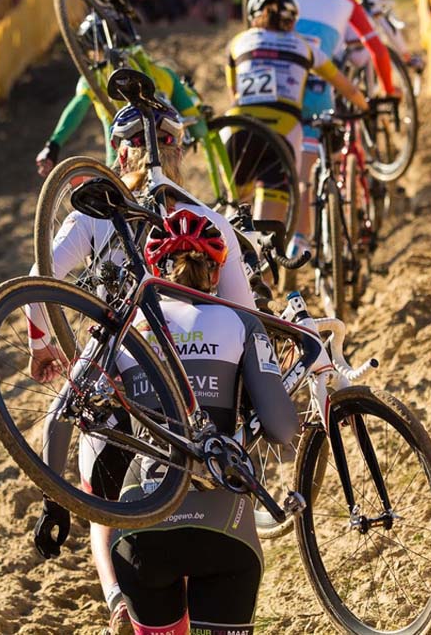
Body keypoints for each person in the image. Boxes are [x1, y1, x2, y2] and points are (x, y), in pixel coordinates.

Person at [28, 102, 259, 634]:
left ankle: (120, 604)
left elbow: (40, 279)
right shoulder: (209, 218)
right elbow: (244, 314)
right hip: (197, 381)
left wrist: (42, 343)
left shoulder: (92, 214)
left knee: (104, 501)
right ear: (177, 151)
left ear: (119, 152)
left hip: (116, 362)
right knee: (193, 508)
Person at [110, 209, 298, 635]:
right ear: (217, 273)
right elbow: (282, 428)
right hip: (224, 528)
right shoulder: (239, 321)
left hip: (142, 525)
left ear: (155, 269)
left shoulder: (127, 327)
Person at [283, 0, 395, 257]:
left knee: (294, 175)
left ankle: (299, 240)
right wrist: (388, 92)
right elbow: (377, 49)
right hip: (323, 91)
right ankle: (337, 217)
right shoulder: (345, 1)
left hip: (283, 91)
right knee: (325, 158)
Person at [224, 0, 367, 234]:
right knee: (269, 234)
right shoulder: (304, 47)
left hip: (238, 129)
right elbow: (348, 88)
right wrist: (365, 106)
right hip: (284, 132)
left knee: (234, 212)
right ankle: (261, 268)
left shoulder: (238, 42)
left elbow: (235, 93)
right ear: (292, 19)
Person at [35, 7, 203, 174]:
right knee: (198, 129)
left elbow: (77, 108)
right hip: (167, 140)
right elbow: (198, 127)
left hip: (123, 147)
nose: (92, 55)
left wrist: (53, 145)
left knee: (115, 177)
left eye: (93, 50)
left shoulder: (95, 79)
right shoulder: (161, 73)